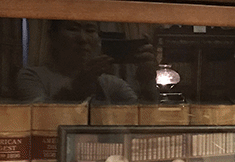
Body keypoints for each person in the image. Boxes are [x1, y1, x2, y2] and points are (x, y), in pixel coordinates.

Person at [16, 19, 156, 103]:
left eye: (90, 30)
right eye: (73, 29)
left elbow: (142, 119)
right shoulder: (32, 76)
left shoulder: (110, 83)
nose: (83, 38)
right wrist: (78, 87)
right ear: (53, 36)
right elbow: (39, 119)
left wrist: (147, 80)